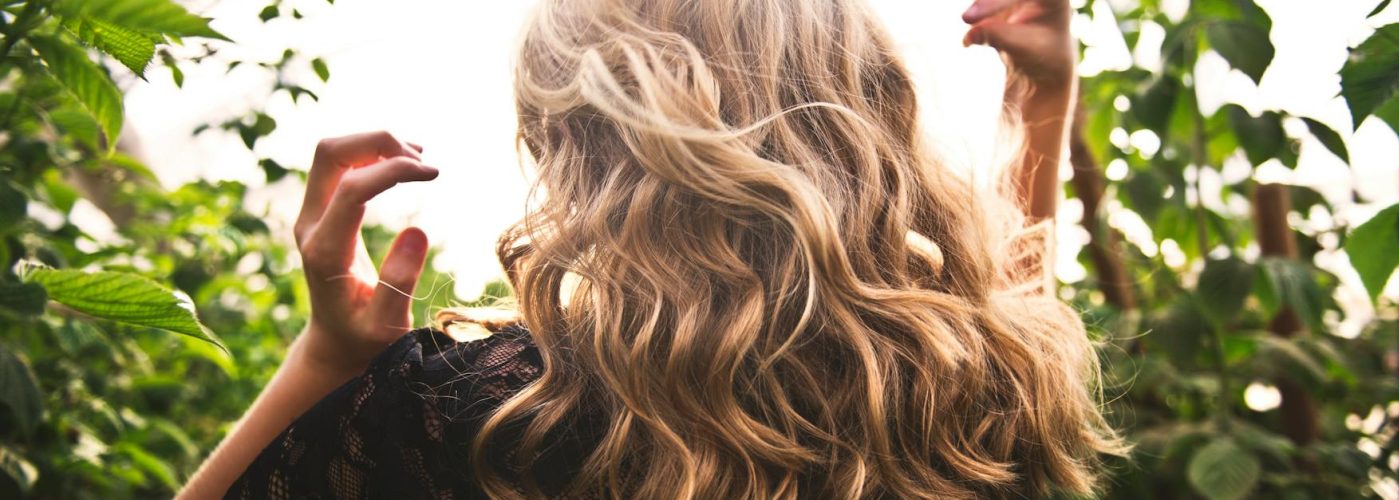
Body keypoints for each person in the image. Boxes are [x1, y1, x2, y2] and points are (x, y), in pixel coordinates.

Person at [180, 0, 1121, 497]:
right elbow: (1005, 304)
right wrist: (1039, 97)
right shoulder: (950, 381)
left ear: (573, 145)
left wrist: (328, 360)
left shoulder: (495, 417)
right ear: (861, 108)